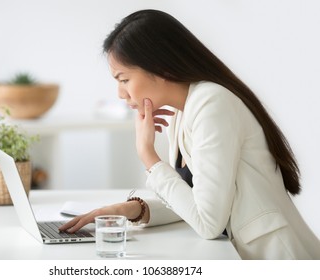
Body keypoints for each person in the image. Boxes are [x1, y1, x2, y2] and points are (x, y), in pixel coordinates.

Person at [59, 9, 320, 259]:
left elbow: (208, 223)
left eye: (123, 79)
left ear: (160, 68)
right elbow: (196, 202)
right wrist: (133, 209)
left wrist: (148, 156)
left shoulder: (212, 103)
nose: (120, 93)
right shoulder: (183, 112)